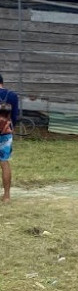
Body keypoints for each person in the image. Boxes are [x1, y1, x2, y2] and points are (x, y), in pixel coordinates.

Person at [0, 74, 18, 203]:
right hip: (5, 132)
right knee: (4, 162)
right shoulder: (12, 95)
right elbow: (15, 116)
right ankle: (6, 196)